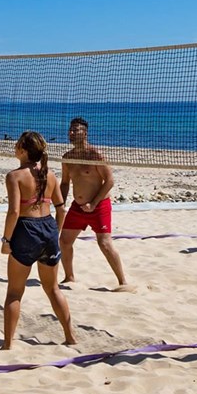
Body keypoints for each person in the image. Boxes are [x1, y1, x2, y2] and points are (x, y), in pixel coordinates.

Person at [1, 131, 76, 349]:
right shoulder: (49, 174)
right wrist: (56, 231)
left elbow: (14, 212)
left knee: (14, 292)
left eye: (17, 145)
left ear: (23, 150)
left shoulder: (14, 176)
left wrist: (6, 240)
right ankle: (70, 337)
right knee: (53, 289)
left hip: (26, 230)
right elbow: (61, 208)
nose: (14, 147)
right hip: (48, 228)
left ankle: (7, 344)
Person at [60, 117, 132, 290]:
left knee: (105, 243)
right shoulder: (67, 157)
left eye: (75, 130)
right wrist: (60, 203)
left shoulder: (95, 155)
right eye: (70, 129)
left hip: (99, 205)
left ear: (85, 132)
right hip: (78, 207)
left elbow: (109, 181)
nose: (71, 132)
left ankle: (123, 282)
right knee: (64, 241)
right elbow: (64, 183)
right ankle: (69, 277)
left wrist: (93, 203)